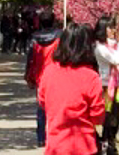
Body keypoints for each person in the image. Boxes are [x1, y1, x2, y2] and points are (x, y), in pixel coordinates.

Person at [39, 24, 105, 155]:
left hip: (55, 146)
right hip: (83, 146)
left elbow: (42, 102)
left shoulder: (49, 72)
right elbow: (97, 116)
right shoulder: (91, 77)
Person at [92, 18, 119, 155]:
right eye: (109, 27)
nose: (113, 30)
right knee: (108, 116)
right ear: (102, 29)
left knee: (118, 114)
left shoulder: (113, 45)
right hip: (106, 87)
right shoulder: (100, 48)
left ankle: (111, 141)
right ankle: (105, 142)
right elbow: (118, 59)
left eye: (113, 27)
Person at [26, 18, 63, 146]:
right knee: (55, 108)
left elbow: (30, 59)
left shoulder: (35, 39)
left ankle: (41, 137)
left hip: (40, 77)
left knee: (41, 108)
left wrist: (28, 76)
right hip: (56, 76)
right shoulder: (59, 38)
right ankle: (54, 135)